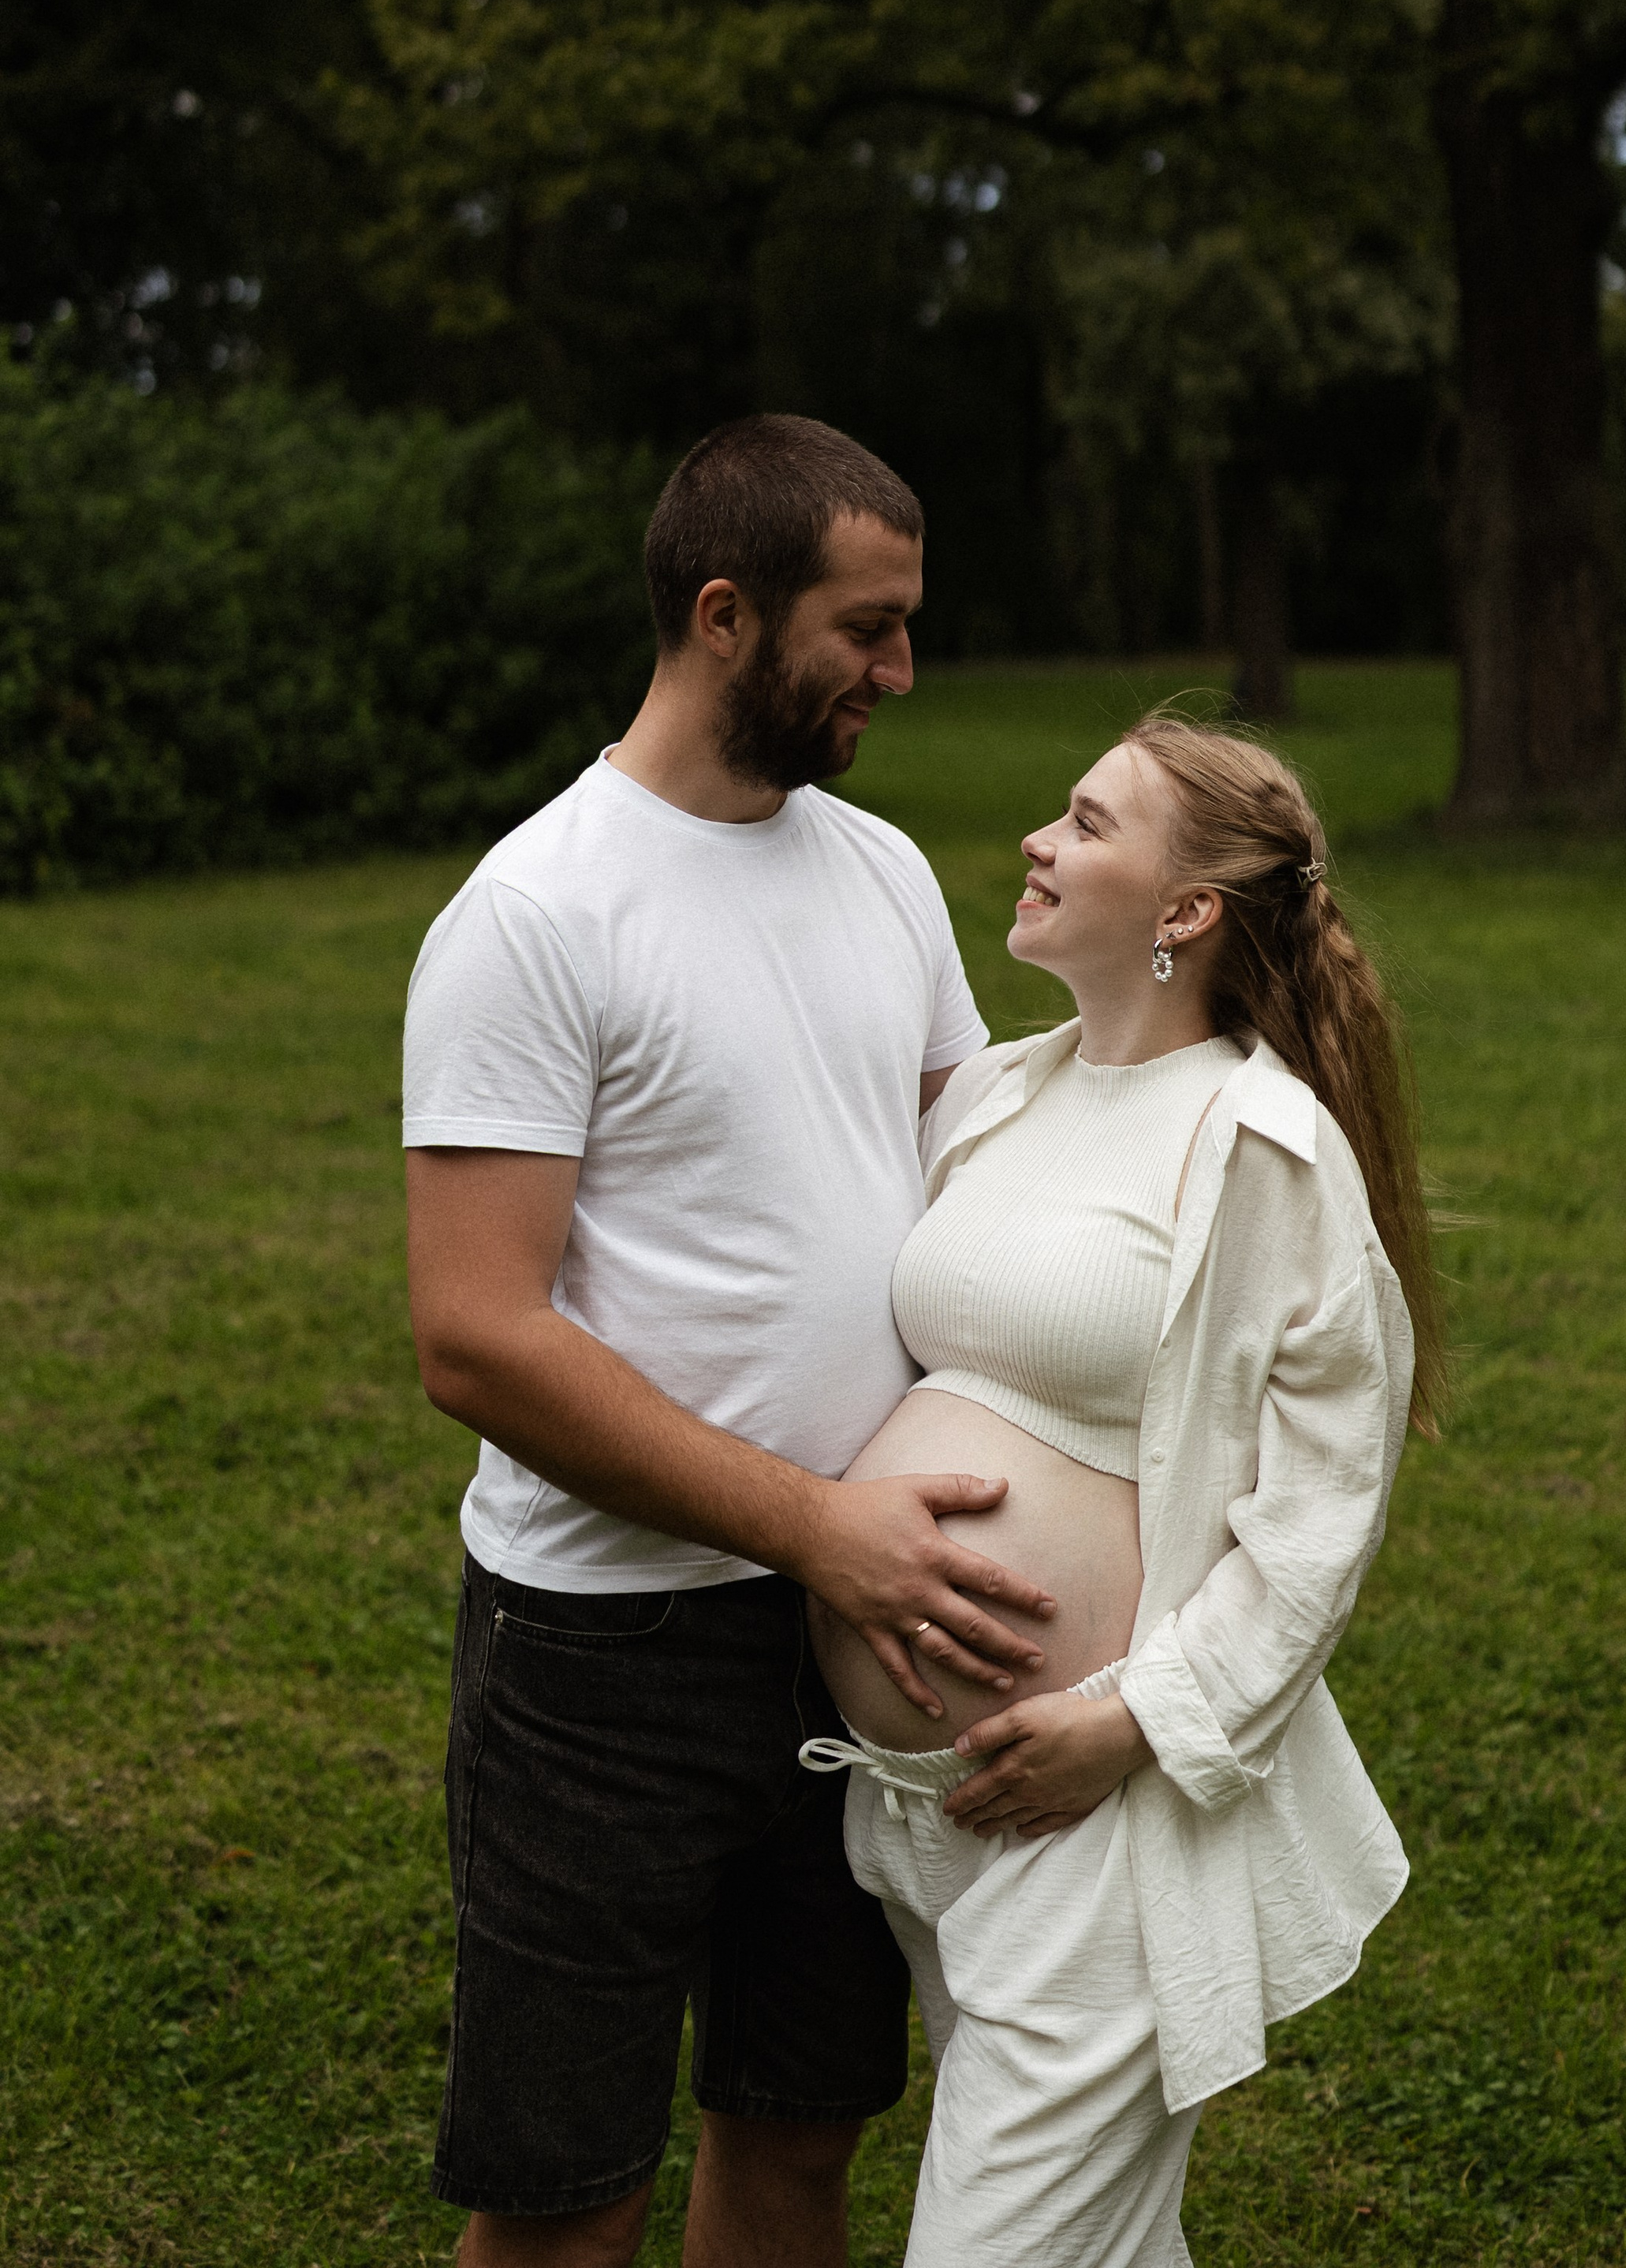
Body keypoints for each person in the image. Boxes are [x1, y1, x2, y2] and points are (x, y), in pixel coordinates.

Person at [402, 413, 1059, 2268]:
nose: (900, 672)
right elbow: (473, 1335)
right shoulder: (535, 916)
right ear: (720, 615)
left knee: (798, 2129)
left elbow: (981, 1186)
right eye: (864, 628)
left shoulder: (879, 876)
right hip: (601, 1658)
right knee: (563, 2197)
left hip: (858, 1641)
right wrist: (809, 1522)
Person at [800, 713, 1449, 2268]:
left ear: (1185, 913)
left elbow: (1314, 1528)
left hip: (1098, 1811)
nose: (1037, 839)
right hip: (921, 1817)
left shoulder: (1260, 1148)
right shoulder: (1004, 1098)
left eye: (1087, 822)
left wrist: (1130, 1721)